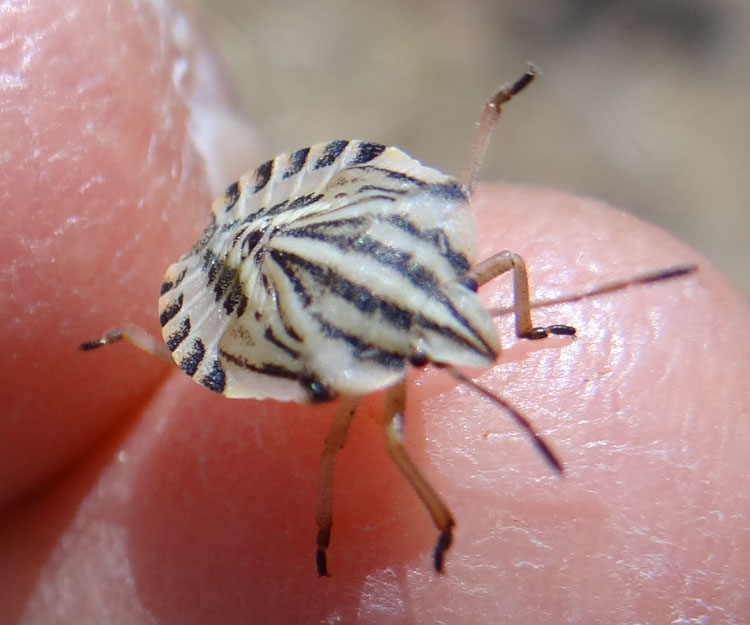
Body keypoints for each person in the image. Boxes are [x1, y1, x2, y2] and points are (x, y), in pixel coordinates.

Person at [1, 2, 747, 623]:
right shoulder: (352, 359)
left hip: (291, 214)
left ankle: (128, 335)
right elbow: (352, 453)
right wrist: (440, 521)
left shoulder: (438, 245)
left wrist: (495, 108)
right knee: (221, 376)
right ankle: (127, 336)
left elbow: (499, 246)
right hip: (245, 267)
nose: (472, 335)